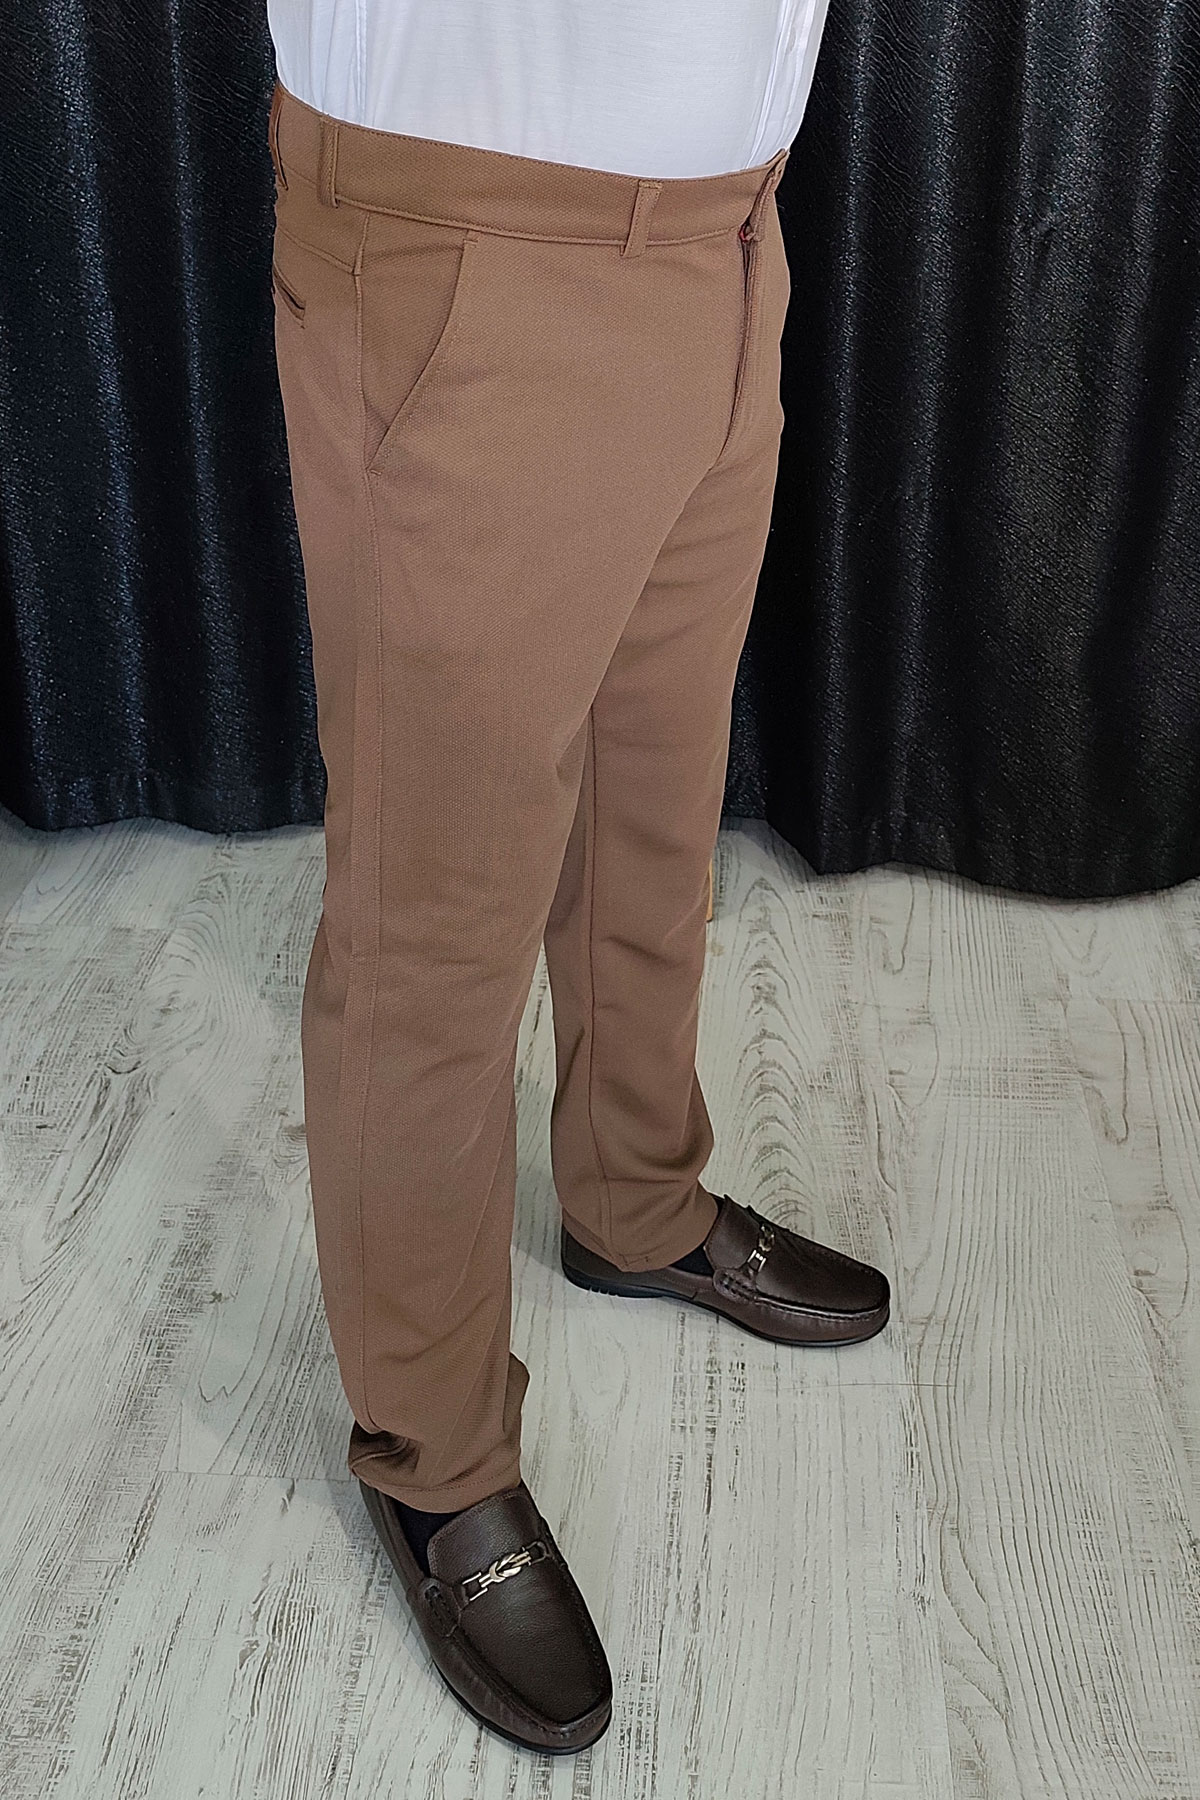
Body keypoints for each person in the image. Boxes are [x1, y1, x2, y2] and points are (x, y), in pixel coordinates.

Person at [264, 0, 890, 1755]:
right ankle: (431, 1451)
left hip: (729, 237)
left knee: (652, 804)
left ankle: (634, 1201)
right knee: (435, 918)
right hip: (472, 247)